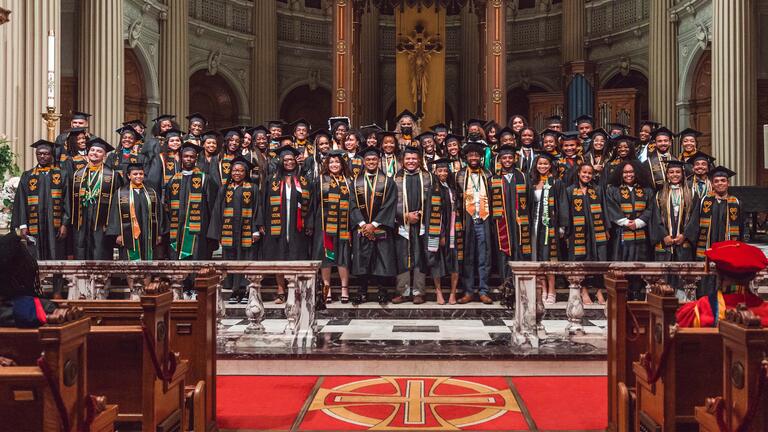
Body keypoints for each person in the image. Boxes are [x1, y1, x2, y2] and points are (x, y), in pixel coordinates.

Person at [12, 140, 70, 298]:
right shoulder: (28, 175)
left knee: (57, 256)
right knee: (34, 258)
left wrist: (65, 223)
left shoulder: (61, 174)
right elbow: (21, 202)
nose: (42, 156)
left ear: (51, 155)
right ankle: (38, 290)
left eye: (46, 154)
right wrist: (23, 224)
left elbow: (67, 201)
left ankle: (57, 291)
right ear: (36, 155)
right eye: (39, 154)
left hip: (55, 226)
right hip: (34, 225)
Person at [260, 145, 312, 304]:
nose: (289, 162)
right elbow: (263, 202)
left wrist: (309, 223)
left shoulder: (303, 180)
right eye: (285, 160)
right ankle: (281, 290)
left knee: (296, 254)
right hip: (277, 223)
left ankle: (295, 289)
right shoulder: (272, 179)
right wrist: (261, 223)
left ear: (296, 161)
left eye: (291, 159)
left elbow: (311, 204)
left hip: (298, 225)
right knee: (279, 254)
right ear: (281, 162)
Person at [208, 156, 262, 304]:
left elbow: (258, 208)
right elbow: (218, 210)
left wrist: (256, 229)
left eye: (241, 171)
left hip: (246, 230)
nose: (237, 173)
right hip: (229, 230)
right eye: (234, 170)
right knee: (231, 259)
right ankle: (233, 290)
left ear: (246, 173)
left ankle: (245, 290)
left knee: (246, 259)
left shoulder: (253, 188)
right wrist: (218, 232)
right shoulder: (225, 189)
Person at [392, 146, 442, 305]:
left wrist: (422, 216)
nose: (411, 161)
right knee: (403, 257)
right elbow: (389, 204)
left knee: (420, 257)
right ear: (402, 161)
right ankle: (403, 291)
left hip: (423, 225)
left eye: (414, 158)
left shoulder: (429, 177)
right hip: (402, 225)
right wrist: (404, 216)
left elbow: (435, 202)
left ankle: (419, 292)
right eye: (408, 159)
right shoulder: (395, 178)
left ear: (419, 160)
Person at [349, 147, 398, 305]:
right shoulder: (356, 182)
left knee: (381, 259)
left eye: (374, 159)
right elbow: (352, 204)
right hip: (361, 228)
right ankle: (362, 291)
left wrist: (375, 224)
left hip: (381, 227)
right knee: (362, 259)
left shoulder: (388, 182)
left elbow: (390, 204)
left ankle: (382, 291)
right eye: (368, 160)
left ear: (378, 161)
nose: (371, 162)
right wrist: (363, 224)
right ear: (364, 162)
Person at [605, 159, 658, 300]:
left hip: (641, 233)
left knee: (640, 263)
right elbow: (611, 207)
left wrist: (639, 222)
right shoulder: (613, 190)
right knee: (621, 264)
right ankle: (622, 295)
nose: (628, 174)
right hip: (621, 234)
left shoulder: (647, 190)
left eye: (631, 171)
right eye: (625, 172)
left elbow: (651, 208)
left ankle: (637, 293)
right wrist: (625, 222)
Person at [559, 163, 609, 304]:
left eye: (589, 173)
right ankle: (584, 290)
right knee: (580, 260)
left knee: (600, 260)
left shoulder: (597, 190)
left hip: (596, 231)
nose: (586, 176)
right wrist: (567, 232)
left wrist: (606, 229)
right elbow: (566, 212)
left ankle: (599, 291)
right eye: (584, 173)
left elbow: (604, 209)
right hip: (577, 232)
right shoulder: (570, 191)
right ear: (578, 173)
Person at [308, 150, 353, 304]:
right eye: (331, 162)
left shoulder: (349, 180)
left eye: (337, 162)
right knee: (325, 254)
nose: (334, 165)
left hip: (343, 222)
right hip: (324, 222)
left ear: (342, 164)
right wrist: (310, 224)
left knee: (343, 254)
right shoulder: (320, 180)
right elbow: (313, 203)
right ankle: (326, 288)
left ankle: (344, 288)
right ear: (327, 164)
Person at [163, 142, 218, 261]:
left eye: (192, 156)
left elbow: (212, 207)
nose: (188, 159)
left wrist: (211, 233)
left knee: (197, 261)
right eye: (186, 156)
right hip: (176, 229)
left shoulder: (205, 179)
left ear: (196, 158)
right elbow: (167, 206)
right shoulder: (173, 180)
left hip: (198, 230)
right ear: (181, 158)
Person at [455, 141, 494, 304]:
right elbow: (456, 198)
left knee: (484, 256)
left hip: (484, 218)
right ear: (466, 157)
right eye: (471, 155)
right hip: (468, 219)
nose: (474, 157)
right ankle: (469, 291)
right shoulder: (460, 175)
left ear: (480, 157)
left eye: (476, 155)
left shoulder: (488, 174)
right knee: (468, 256)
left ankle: (484, 291)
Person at [71, 137, 120, 260]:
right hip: (82, 218)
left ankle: (100, 278)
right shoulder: (77, 174)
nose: (94, 153)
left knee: (100, 248)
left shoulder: (113, 175)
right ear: (88, 153)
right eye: (92, 150)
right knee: (81, 247)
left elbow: (117, 202)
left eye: (99, 151)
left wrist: (113, 224)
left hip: (102, 220)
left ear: (104, 155)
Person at [489, 144, 531, 283]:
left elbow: (529, 200)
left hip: (519, 222)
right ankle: (506, 284)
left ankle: (521, 282)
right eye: (504, 158)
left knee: (519, 248)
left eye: (510, 158)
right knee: (503, 251)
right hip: (501, 222)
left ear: (514, 159)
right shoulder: (494, 179)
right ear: (500, 160)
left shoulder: (523, 177)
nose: (507, 160)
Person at [107, 162, 161, 261]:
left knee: (147, 255)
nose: (138, 176)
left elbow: (159, 214)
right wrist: (119, 234)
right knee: (129, 257)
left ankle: (146, 275)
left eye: (141, 174)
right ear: (128, 176)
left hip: (147, 232)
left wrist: (158, 234)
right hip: (128, 234)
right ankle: (130, 276)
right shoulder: (120, 193)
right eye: (135, 174)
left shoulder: (151, 192)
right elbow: (115, 215)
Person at [529, 153, 564, 302]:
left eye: (545, 164)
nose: (542, 166)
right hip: (535, 225)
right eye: (540, 164)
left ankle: (552, 290)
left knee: (550, 257)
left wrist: (562, 225)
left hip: (550, 224)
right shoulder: (532, 182)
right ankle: (543, 288)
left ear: (550, 165)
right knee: (538, 258)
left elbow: (562, 204)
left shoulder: (556, 182)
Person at [430, 158, 461, 305]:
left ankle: (453, 293)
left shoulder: (452, 189)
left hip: (453, 232)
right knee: (437, 262)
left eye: (445, 170)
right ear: (435, 172)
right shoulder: (433, 189)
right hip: (439, 232)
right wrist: (441, 234)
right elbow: (432, 213)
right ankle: (439, 291)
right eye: (440, 170)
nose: (442, 173)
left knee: (455, 263)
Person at [653, 160, 694, 263]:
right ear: (667, 175)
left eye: (678, 172)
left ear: (682, 174)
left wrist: (684, 235)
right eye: (671, 172)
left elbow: (695, 218)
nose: (674, 174)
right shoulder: (660, 194)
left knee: (683, 275)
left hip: (684, 240)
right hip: (665, 241)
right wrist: (664, 235)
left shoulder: (691, 193)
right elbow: (655, 217)